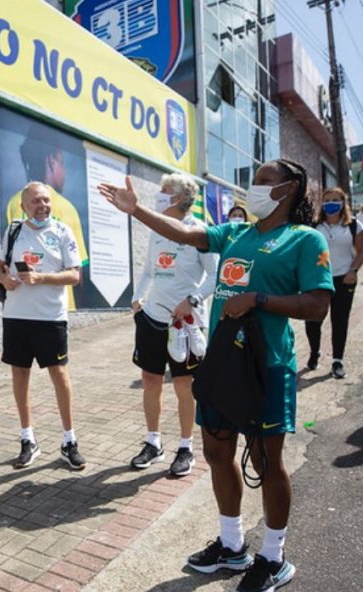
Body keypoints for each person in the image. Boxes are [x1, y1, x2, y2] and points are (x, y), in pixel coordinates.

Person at [99, 159, 332, 592]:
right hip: (223, 360)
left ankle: (273, 557)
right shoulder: (236, 233)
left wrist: (258, 299)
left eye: (263, 181)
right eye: (253, 181)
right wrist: (136, 210)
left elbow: (318, 304)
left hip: (268, 365)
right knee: (217, 453)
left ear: (288, 189)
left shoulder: (304, 239)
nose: (253, 188)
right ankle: (232, 545)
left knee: (266, 461)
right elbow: (184, 233)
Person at [129, 174, 218, 476]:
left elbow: (215, 278)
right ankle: (153, 443)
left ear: (179, 198)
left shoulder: (199, 231)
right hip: (152, 318)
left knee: (184, 385)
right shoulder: (157, 229)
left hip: (187, 321)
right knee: (150, 380)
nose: (158, 195)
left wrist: (191, 301)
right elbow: (147, 272)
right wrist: (137, 297)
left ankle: (186, 447)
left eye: (164, 192)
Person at [0, 181, 87, 471]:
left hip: (50, 318)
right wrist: (3, 279)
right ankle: (27, 439)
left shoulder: (62, 231)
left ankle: (69, 441)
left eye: (46, 200)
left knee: (59, 375)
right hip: (16, 316)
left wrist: (42, 278)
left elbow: (75, 276)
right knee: (19, 375)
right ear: (24, 206)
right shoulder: (13, 231)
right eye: (36, 201)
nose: (43, 205)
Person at [4, 129, 88, 310]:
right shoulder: (67, 208)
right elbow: (78, 275)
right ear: (51, 161)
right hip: (58, 308)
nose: (64, 172)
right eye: (62, 163)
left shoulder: (13, 203)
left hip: (22, 306)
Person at [304, 187, 363, 378]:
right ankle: (314, 352)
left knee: (339, 320)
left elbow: (361, 251)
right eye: (327, 200)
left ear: (343, 203)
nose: (331, 204)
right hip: (318, 279)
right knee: (313, 319)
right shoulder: (314, 226)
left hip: (344, 278)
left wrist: (353, 271)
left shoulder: (354, 226)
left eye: (336, 200)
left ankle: (337, 360)